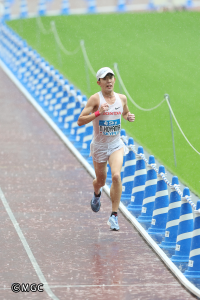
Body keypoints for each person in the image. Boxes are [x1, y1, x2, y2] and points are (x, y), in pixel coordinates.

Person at [77, 67, 135, 230]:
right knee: (100, 181)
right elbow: (80, 121)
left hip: (116, 145)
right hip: (100, 147)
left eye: (111, 77)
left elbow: (125, 112)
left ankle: (114, 216)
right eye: (105, 78)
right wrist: (98, 113)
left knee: (116, 176)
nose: (109, 81)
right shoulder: (95, 99)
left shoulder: (121, 98)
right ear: (99, 82)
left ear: (114, 80)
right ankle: (97, 194)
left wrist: (128, 117)